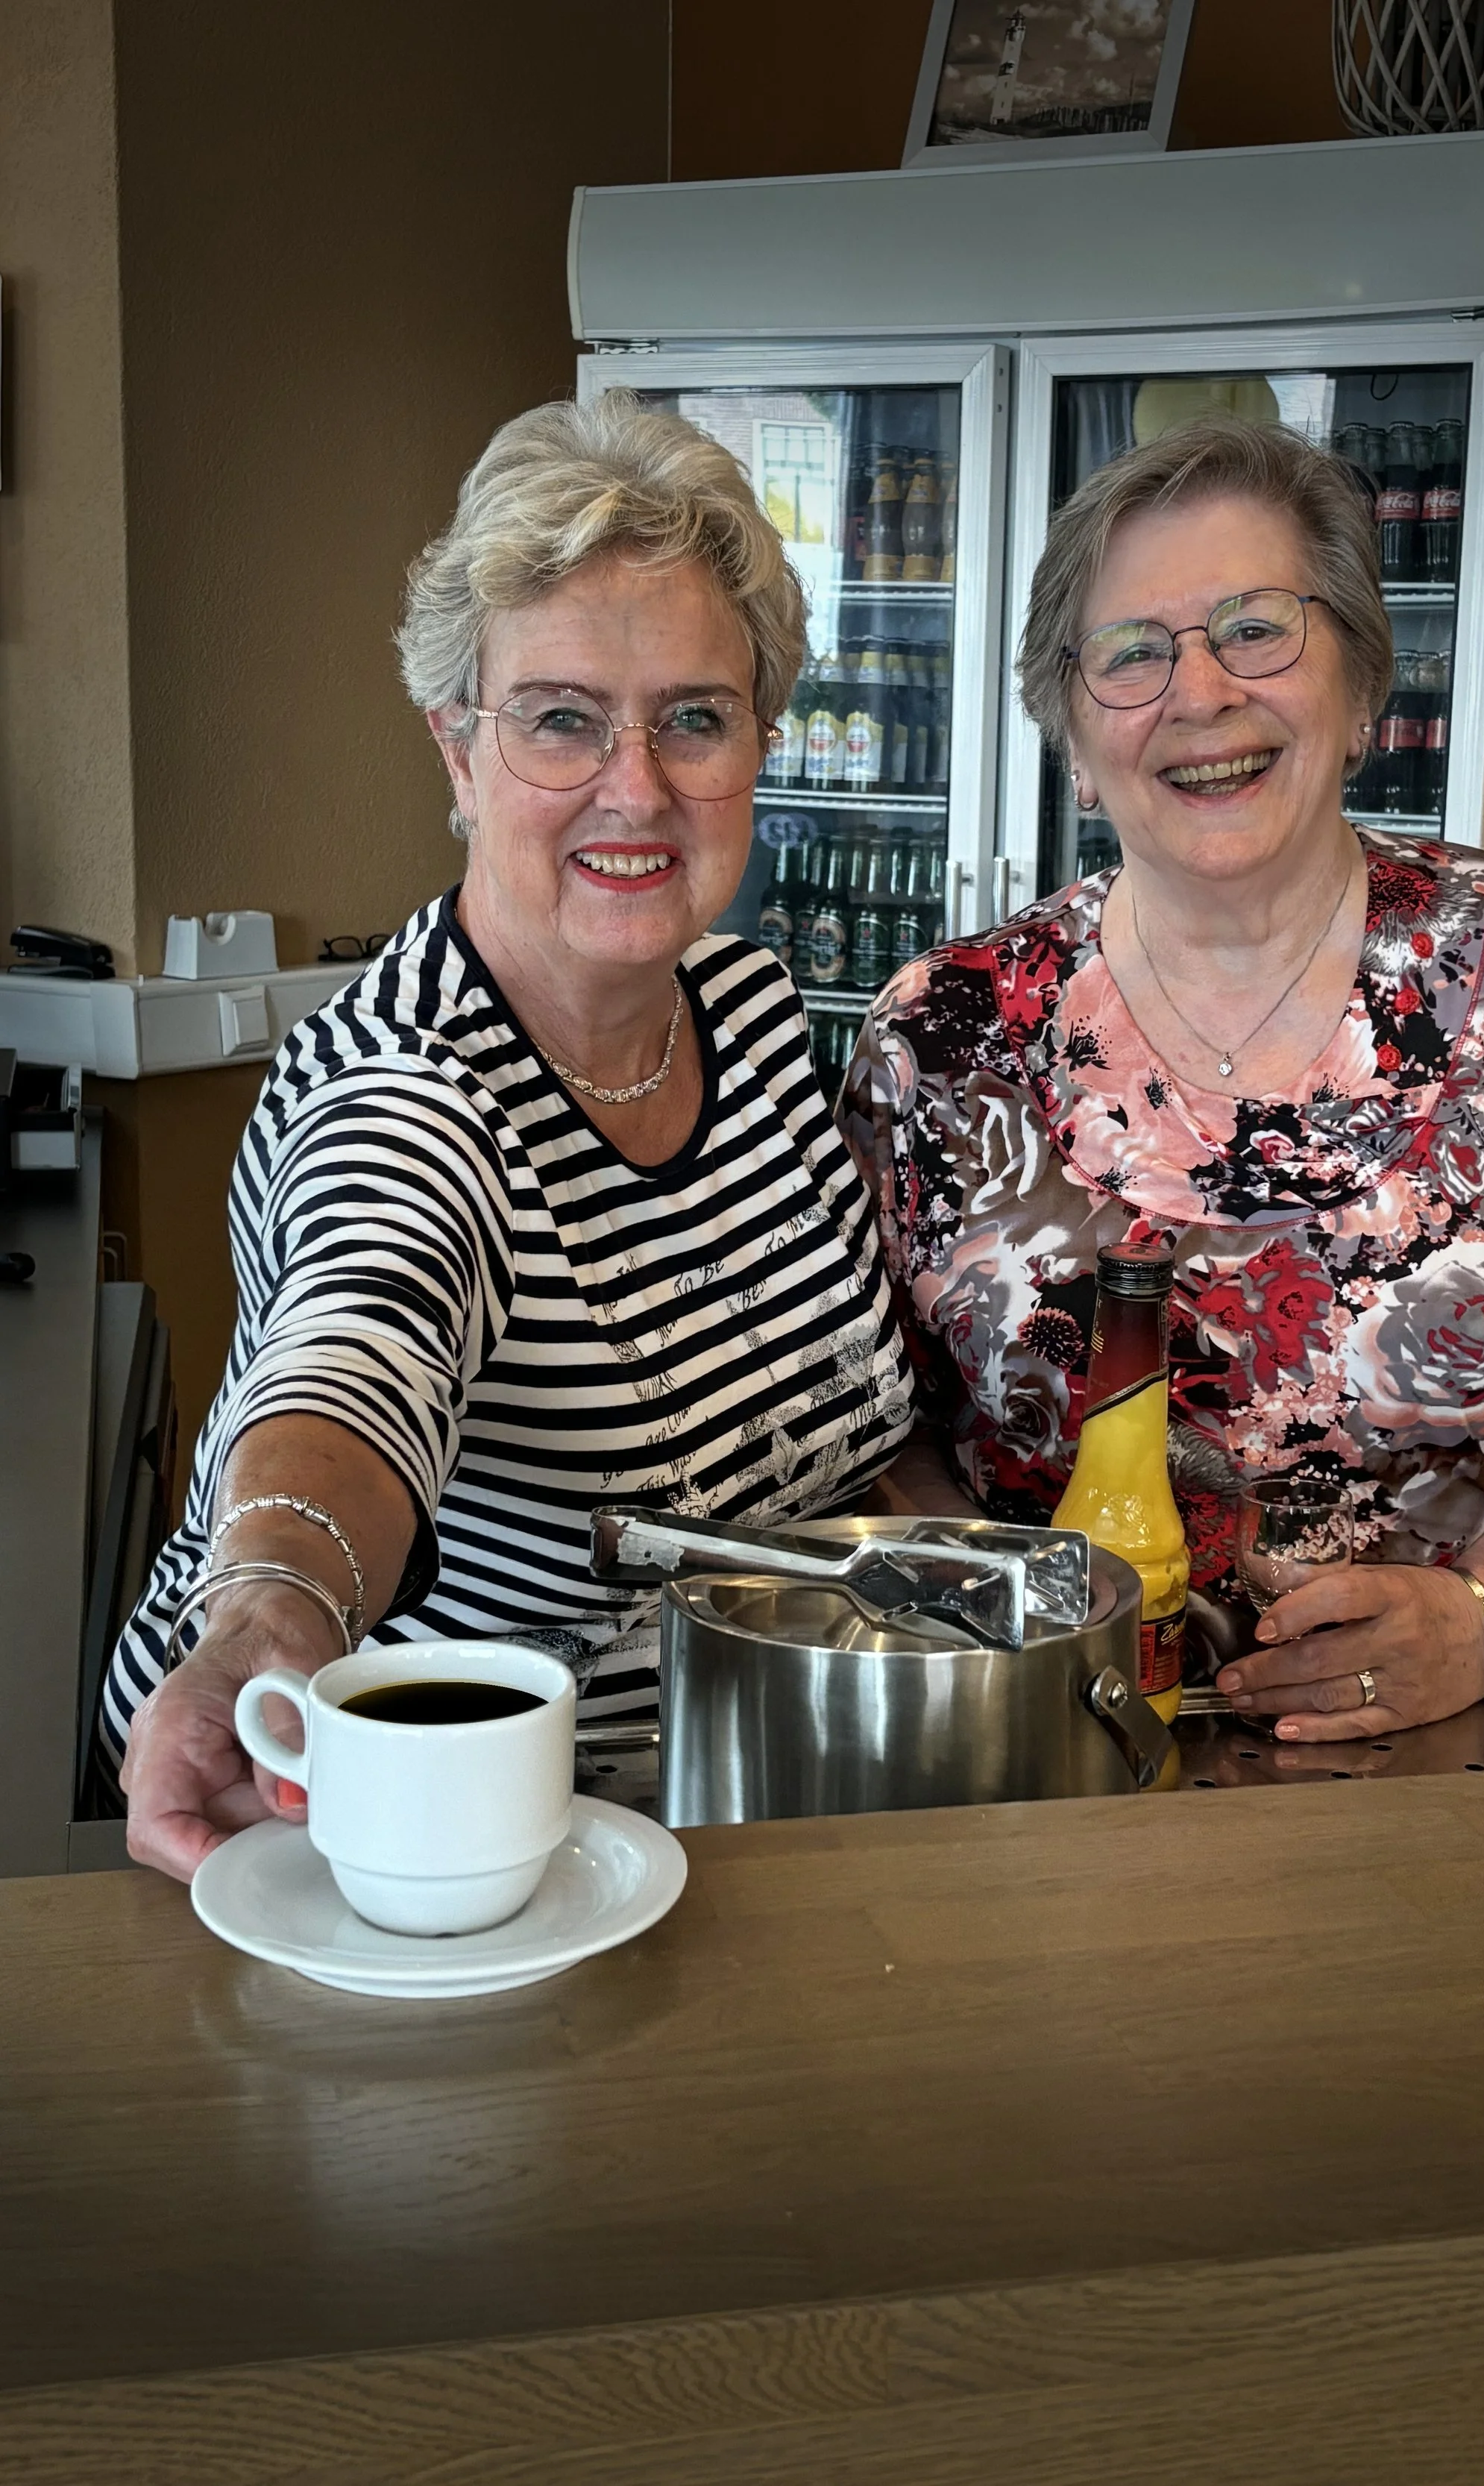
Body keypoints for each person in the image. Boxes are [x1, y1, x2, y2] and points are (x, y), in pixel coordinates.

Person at [843, 415, 1484, 1743]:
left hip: (1459, 1761)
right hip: (1044, 1756)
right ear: (1071, 733)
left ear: (1362, 688)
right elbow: (872, 1425)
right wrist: (995, 1618)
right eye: (1132, 653)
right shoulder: (943, 1032)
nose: (1200, 695)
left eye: (1256, 630)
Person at [110, 392, 914, 1878]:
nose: (637, 787)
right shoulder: (402, 1087)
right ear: (457, 752)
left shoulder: (746, 1008)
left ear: (759, 740)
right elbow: (359, 1342)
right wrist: (273, 1608)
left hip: (716, 1828)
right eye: (560, 719)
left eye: (694, 717)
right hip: (387, 1841)